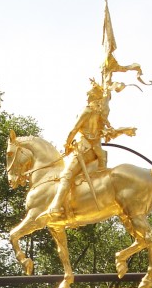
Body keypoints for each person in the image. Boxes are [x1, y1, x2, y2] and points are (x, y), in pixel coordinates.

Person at [44, 79, 135, 219]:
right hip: (97, 154)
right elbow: (108, 132)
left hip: (83, 151)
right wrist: (124, 130)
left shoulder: (86, 111)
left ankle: (56, 205)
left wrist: (66, 144)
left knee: (66, 175)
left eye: (89, 93)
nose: (87, 95)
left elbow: (74, 129)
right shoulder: (100, 114)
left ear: (93, 96)